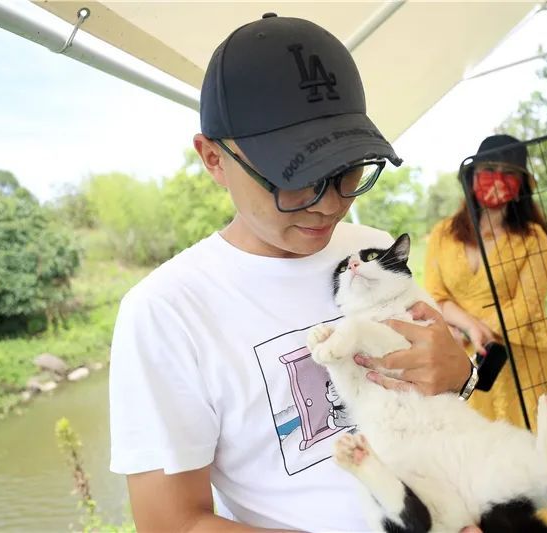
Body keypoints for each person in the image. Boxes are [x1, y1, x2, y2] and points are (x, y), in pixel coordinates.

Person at [108, 14, 474, 532]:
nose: (329, 204)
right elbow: (172, 523)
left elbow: (438, 397)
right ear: (213, 158)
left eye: (346, 170)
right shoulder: (167, 311)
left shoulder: (369, 251)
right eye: (294, 177)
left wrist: (460, 377)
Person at [423, 134, 547, 532]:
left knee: (541, 450)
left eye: (508, 173)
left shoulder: (532, 238)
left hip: (527, 362)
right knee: (483, 457)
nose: (496, 180)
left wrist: (472, 325)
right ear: (471, 176)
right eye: (488, 170)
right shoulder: (443, 233)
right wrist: (468, 327)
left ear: (521, 185)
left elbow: (524, 308)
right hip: (467, 364)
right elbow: (435, 295)